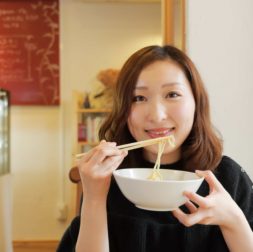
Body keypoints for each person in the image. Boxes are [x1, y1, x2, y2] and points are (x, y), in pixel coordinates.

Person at [57, 45, 253, 252]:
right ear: (123, 108)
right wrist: (94, 198)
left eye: (172, 94)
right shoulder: (109, 178)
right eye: (139, 98)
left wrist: (233, 220)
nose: (157, 115)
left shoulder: (227, 178)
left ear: (197, 101)